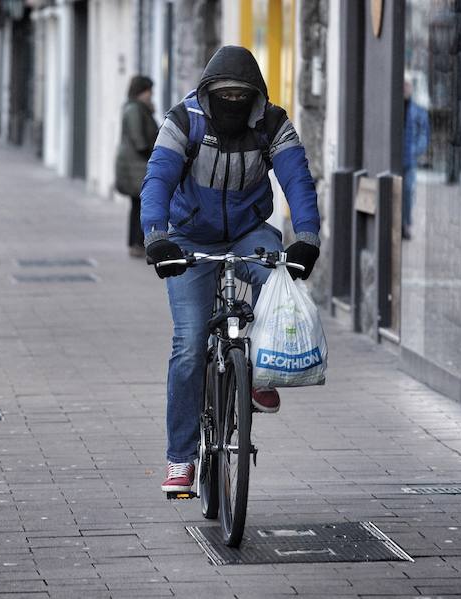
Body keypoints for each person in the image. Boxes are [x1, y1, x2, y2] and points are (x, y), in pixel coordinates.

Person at [140, 46, 321, 493]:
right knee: (188, 345)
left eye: (243, 96)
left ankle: (256, 372)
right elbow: (158, 177)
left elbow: (297, 179)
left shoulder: (273, 124)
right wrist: (155, 236)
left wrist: (307, 239)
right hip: (187, 237)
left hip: (248, 232)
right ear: (207, 94)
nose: (233, 102)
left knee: (279, 278)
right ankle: (180, 460)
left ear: (256, 96)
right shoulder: (184, 121)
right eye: (225, 95)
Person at [115, 75, 159, 258]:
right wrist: (154, 154)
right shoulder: (134, 109)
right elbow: (139, 140)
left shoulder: (138, 108)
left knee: (138, 206)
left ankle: (136, 243)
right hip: (137, 166)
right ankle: (138, 244)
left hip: (135, 165)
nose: (151, 95)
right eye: (149, 91)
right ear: (142, 91)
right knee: (142, 206)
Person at [402, 78, 429, 240]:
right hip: (396, 159)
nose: (405, 88)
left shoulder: (418, 111)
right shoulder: (394, 107)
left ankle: (405, 224)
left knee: (407, 192)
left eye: (408, 85)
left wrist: (415, 150)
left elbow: (424, 135)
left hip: (409, 160)